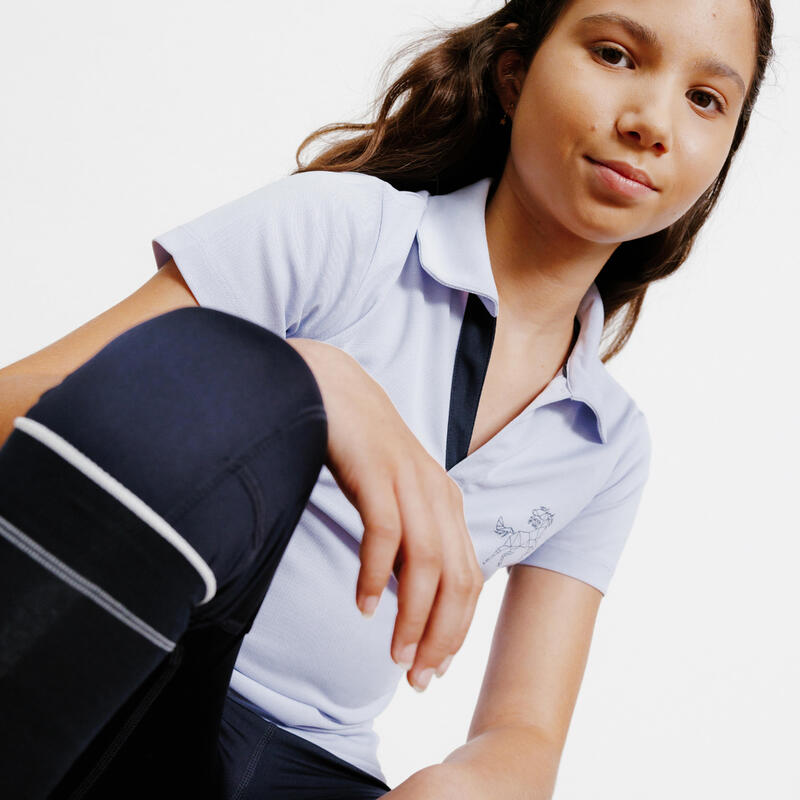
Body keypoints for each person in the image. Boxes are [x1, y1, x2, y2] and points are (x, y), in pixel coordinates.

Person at [0, 0, 775, 797]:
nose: (654, 123)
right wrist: (310, 380)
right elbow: (19, 421)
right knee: (225, 375)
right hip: (133, 681)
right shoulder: (346, 235)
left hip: (323, 768)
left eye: (706, 99)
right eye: (614, 55)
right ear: (514, 76)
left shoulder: (606, 442)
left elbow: (525, 729)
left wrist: (465, 786)